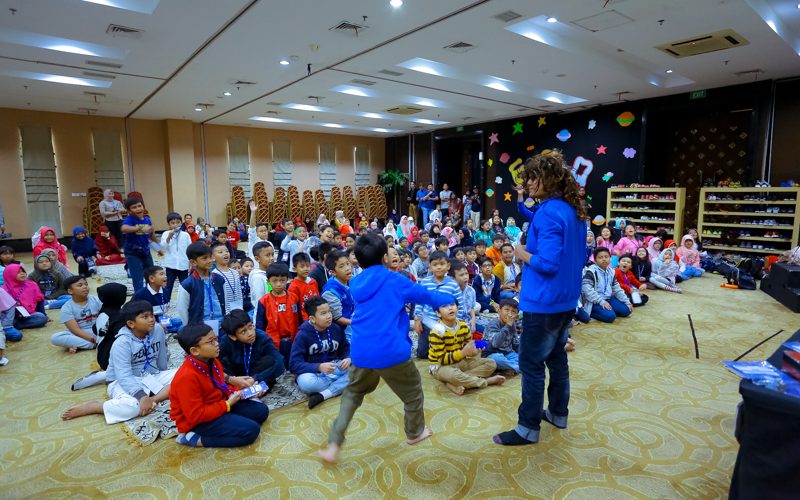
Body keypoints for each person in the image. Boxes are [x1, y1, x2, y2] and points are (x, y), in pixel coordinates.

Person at [318, 233, 454, 463]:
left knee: (352, 394)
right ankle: (415, 433)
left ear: (357, 261)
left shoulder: (356, 282)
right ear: (384, 257)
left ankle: (333, 444)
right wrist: (447, 297)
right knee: (413, 393)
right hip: (391, 351)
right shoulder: (395, 280)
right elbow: (425, 296)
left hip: (361, 351)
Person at [494, 152, 586, 447]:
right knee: (557, 358)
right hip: (566, 299)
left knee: (531, 364)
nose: (528, 184)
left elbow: (547, 263)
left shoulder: (549, 213)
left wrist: (521, 254)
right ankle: (558, 413)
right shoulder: (572, 210)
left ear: (550, 179)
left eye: (533, 178)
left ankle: (527, 428)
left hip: (544, 301)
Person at [61, 301, 176, 424]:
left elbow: (162, 357)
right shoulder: (122, 343)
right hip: (122, 381)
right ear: (131, 323)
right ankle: (96, 407)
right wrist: (141, 396)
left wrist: (163, 377)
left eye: (152, 315)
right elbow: (124, 375)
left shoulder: (157, 330)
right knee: (133, 407)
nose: (151, 319)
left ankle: (153, 400)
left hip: (151, 375)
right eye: (145, 317)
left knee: (185, 376)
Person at [170, 323, 269, 448]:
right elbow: (196, 416)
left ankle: (230, 420)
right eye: (210, 342)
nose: (217, 344)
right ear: (195, 351)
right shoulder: (186, 377)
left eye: (215, 339)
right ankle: (194, 439)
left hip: (218, 406)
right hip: (197, 422)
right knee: (251, 431)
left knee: (261, 411)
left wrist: (245, 392)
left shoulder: (213, 361)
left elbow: (222, 388)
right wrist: (227, 405)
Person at [428, 300, 503, 395]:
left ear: (458, 308)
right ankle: (486, 382)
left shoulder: (463, 326)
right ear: (438, 313)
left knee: (491, 364)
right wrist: (463, 353)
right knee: (453, 375)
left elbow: (468, 349)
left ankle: (453, 383)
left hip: (460, 361)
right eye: (444, 306)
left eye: (452, 304)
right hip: (440, 366)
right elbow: (442, 360)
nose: (450, 308)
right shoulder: (436, 331)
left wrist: (475, 352)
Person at [290, 296, 351, 409]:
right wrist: (318, 367)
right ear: (312, 319)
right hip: (312, 373)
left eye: (329, 311)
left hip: (334, 367)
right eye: (323, 313)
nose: (329, 316)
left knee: (361, 369)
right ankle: (341, 385)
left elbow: (345, 348)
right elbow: (294, 364)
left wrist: (347, 358)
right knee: (306, 383)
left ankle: (323, 395)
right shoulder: (303, 335)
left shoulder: (336, 329)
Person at [413, 251, 461, 359]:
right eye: (435, 265)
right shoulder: (425, 282)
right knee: (422, 354)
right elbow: (420, 301)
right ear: (430, 267)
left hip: (448, 322)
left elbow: (460, 304)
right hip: (428, 322)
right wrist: (417, 319)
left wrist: (459, 321)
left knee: (447, 351)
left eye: (442, 264)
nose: (438, 267)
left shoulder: (453, 284)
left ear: (448, 266)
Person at [219, 309, 284, 389]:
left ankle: (256, 387)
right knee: (219, 363)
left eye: (250, 326)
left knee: (270, 361)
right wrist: (230, 379)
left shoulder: (262, 337)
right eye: (243, 332)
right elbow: (213, 361)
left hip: (257, 373)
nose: (250, 333)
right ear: (233, 336)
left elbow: (280, 363)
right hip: (236, 374)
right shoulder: (226, 341)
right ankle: (238, 387)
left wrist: (255, 378)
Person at [255, 263, 300, 367]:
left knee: (292, 364)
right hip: (273, 341)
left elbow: (300, 319)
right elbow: (260, 325)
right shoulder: (264, 301)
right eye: (275, 281)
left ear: (287, 280)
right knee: (278, 365)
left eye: (282, 280)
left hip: (292, 339)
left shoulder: (294, 298)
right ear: (268, 281)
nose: (279, 284)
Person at [175, 242, 227, 332]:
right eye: (204, 258)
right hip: (199, 329)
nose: (209, 260)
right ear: (193, 262)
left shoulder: (219, 280)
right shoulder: (187, 284)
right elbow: (182, 310)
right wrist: (191, 328)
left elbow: (225, 301)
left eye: (210, 257)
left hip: (221, 326)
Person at [579, 247, 632, 323]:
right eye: (600, 257)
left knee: (626, 311)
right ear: (595, 260)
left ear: (610, 259)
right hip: (595, 301)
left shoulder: (611, 271)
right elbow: (587, 290)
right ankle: (591, 313)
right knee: (610, 317)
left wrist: (627, 302)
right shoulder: (591, 271)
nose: (604, 259)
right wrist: (601, 302)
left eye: (606, 257)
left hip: (609, 298)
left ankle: (608, 310)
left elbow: (617, 288)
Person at [51, 276, 102, 352]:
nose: (85, 287)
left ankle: (78, 344)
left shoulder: (96, 300)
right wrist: (93, 340)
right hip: (80, 332)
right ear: (70, 291)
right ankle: (94, 344)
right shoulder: (66, 308)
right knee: (55, 338)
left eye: (86, 284)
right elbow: (75, 330)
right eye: (80, 285)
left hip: (98, 330)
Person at [121, 197, 160, 292]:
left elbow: (151, 236)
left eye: (139, 206)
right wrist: (140, 228)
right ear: (129, 211)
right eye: (134, 207)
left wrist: (158, 248)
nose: (138, 208)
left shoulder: (147, 219)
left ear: (143, 206)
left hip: (146, 252)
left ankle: (151, 293)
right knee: (138, 278)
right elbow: (123, 228)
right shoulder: (130, 219)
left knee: (151, 275)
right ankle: (140, 296)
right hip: (132, 254)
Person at [2, 263, 48, 331]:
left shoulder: (32, 285)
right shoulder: (3, 290)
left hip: (29, 315)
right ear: (10, 275)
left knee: (42, 318)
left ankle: (17, 325)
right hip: (11, 317)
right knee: (7, 320)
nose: (22, 274)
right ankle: (13, 325)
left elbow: (39, 301)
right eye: (18, 272)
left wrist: (44, 314)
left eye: (23, 271)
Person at [321, 251, 354, 341]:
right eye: (341, 266)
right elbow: (338, 318)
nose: (347, 268)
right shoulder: (330, 292)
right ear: (333, 272)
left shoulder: (352, 280)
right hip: (341, 333)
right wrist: (358, 323)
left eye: (347, 264)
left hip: (352, 325)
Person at [483, 299, 521, 374]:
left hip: (507, 354)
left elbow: (516, 343)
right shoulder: (493, 324)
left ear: (516, 315)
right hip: (491, 354)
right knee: (497, 359)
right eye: (506, 310)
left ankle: (508, 368)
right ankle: (516, 368)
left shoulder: (512, 324)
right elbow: (496, 344)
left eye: (513, 311)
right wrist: (508, 326)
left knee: (523, 358)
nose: (509, 314)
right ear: (499, 311)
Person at [161, 212, 191, 300]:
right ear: (169, 224)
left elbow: (190, 248)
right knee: (168, 285)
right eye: (173, 223)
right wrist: (169, 237)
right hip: (170, 265)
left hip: (183, 265)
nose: (175, 225)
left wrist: (191, 262)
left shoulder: (185, 235)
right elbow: (163, 247)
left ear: (181, 223)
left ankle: (185, 302)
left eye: (178, 222)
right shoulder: (165, 233)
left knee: (185, 285)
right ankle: (166, 302)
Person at [211, 242, 244, 312]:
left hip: (238, 310)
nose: (225, 253)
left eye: (227, 251)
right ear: (213, 258)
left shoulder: (235, 272)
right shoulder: (214, 275)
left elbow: (239, 293)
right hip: (224, 312)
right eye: (220, 252)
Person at [289, 252, 319, 321]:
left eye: (307, 266)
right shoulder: (293, 286)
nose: (306, 269)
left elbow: (317, 299)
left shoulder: (313, 282)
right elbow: (293, 307)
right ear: (294, 269)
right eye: (302, 266)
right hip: (303, 320)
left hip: (316, 316)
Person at [450, 261, 477, 332]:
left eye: (466, 274)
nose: (466, 277)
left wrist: (473, 319)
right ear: (453, 278)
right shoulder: (449, 292)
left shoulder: (471, 290)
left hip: (467, 320)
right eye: (461, 275)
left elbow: (471, 308)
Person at [248, 241, 275, 306]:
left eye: (272, 254)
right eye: (267, 255)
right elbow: (259, 301)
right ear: (257, 259)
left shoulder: (271, 273)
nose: (272, 258)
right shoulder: (257, 278)